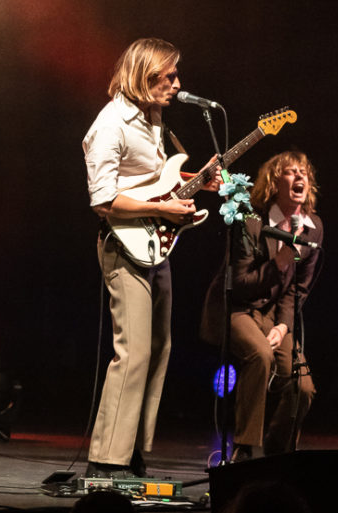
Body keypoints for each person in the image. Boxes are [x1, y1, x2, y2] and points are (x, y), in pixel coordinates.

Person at [83, 37, 220, 478]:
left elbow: (151, 179)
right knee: (134, 351)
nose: (177, 84)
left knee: (159, 349)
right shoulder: (111, 124)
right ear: (144, 76)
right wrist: (162, 210)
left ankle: (133, 451)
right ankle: (107, 459)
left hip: (155, 243)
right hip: (122, 245)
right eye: (169, 75)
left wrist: (195, 180)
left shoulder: (153, 118)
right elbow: (103, 199)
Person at [201, 151, 323, 461]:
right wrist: (281, 259)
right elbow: (240, 282)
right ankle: (244, 450)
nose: (300, 176)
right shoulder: (251, 221)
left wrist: (282, 326)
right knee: (260, 354)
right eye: (291, 172)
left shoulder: (313, 227)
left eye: (304, 172)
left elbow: (297, 288)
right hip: (235, 307)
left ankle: (278, 454)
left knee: (302, 385)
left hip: (271, 314)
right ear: (274, 182)